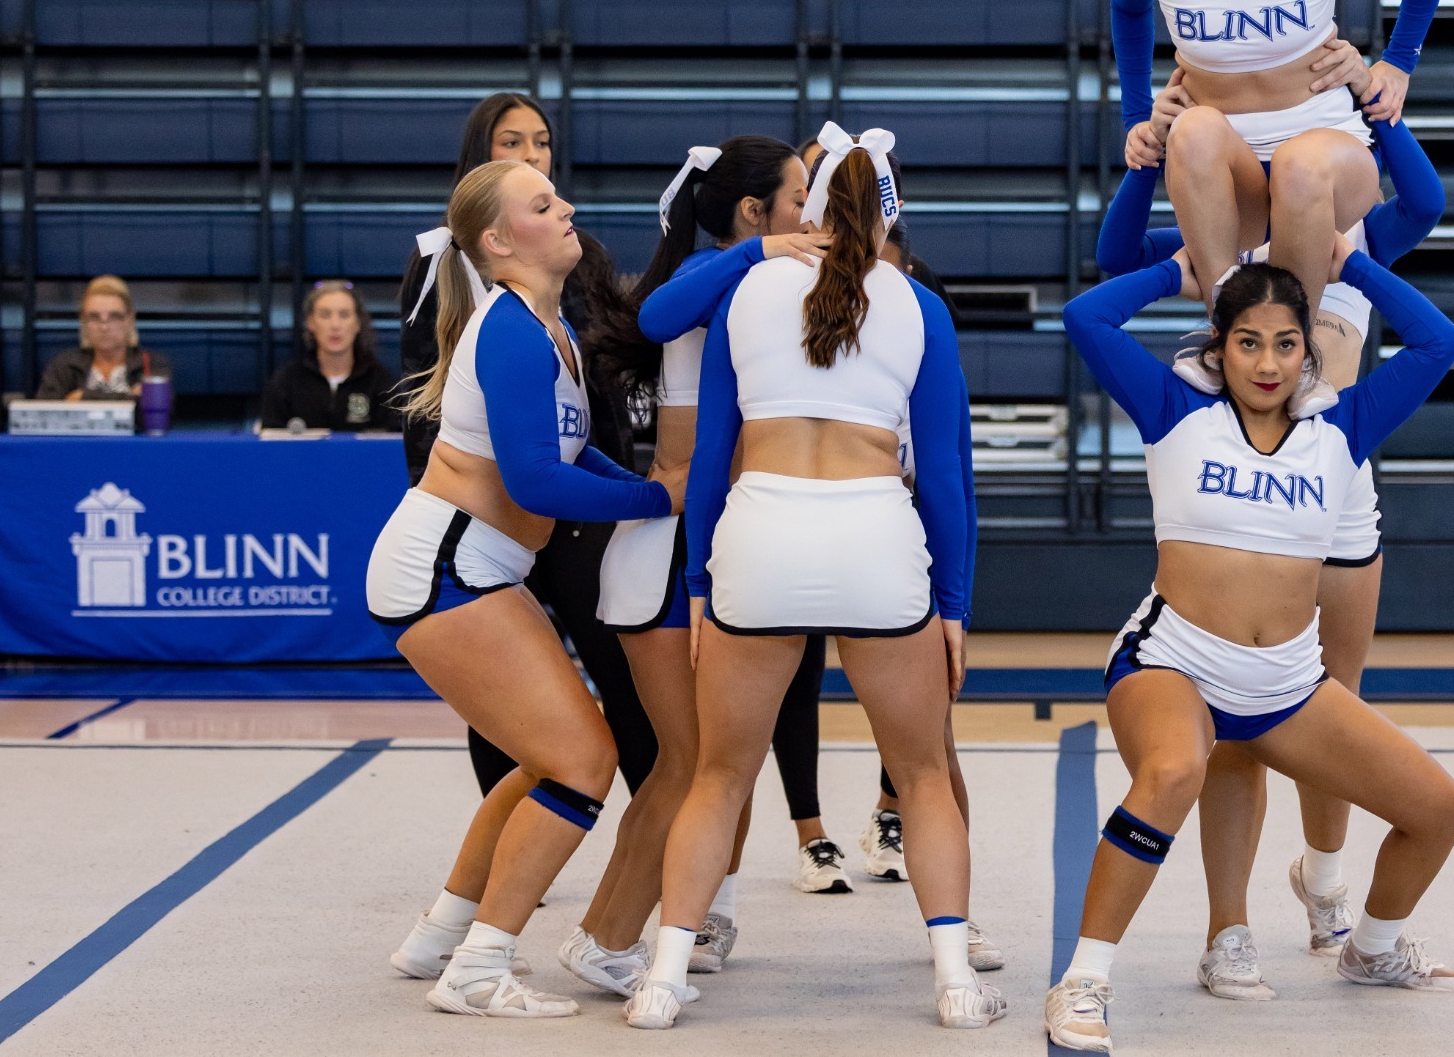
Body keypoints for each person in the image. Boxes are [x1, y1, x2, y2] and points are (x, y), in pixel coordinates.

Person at [1046, 236, 1454, 1052]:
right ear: (1219, 346)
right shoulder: (1175, 409)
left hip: (1286, 684)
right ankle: (1084, 980)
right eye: (1247, 341)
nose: (1267, 362)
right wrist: (1177, 272)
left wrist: (1351, 265)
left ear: (1309, 350)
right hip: (1175, 662)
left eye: (1285, 343)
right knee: (1173, 770)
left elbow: (1438, 341)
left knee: (1440, 809)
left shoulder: (1342, 429)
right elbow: (1084, 315)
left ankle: (1372, 950)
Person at [626, 129, 1002, 1031]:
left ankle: (663, 977)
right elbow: (947, 480)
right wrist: (953, 605)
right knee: (920, 775)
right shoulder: (918, 305)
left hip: (761, 534)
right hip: (875, 533)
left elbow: (711, 456)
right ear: (888, 215)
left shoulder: (750, 286)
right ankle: (954, 977)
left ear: (814, 208)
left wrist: (700, 589)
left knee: (718, 777)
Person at [1097, 114, 1449, 994]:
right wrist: (1142, 164)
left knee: (1331, 696)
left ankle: (1330, 891)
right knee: (1232, 727)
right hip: (1229, 471)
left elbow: (1428, 205)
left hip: (1334, 473)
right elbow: (1112, 266)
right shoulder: (1212, 234)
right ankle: (1230, 928)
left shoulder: (1348, 228)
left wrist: (1381, 108)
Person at [367, 159, 684, 1019]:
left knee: (549, 757)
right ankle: (479, 965)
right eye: (543, 204)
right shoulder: (507, 328)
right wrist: (656, 497)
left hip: (474, 567)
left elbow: (578, 457)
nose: (568, 205)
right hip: (444, 566)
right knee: (585, 761)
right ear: (500, 243)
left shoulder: (553, 331)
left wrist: (651, 487)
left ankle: (441, 931)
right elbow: (539, 482)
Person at [557, 135, 835, 1001]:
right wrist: (760, 249)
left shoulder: (767, 281)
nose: (808, 214)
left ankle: (668, 919)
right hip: (679, 550)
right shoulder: (735, 276)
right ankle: (607, 936)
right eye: (795, 196)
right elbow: (653, 314)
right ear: (752, 214)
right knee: (689, 767)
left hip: (717, 545)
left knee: (715, 760)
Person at [396, 92, 659, 808]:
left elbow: (602, 380)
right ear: (479, 156)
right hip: (488, 513)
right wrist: (447, 491)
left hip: (574, 503)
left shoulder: (580, 249)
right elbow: (427, 395)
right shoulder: (438, 259)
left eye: (541, 142)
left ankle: (653, 838)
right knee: (505, 695)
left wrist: (627, 484)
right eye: (512, 141)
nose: (531, 154)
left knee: (622, 670)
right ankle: (516, 849)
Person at [1110, 0, 1451, 318]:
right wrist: (1137, 114)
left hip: (1329, 165)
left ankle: (1299, 351)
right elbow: (1127, 10)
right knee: (1193, 128)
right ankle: (1227, 332)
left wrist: (1399, 61)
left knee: (1300, 161)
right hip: (1231, 176)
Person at [258, 280, 400, 431]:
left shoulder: (381, 384)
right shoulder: (285, 383)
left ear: (358, 323)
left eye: (344, 315)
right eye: (325, 315)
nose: (335, 325)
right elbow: (270, 443)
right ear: (311, 322)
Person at [36, 275, 172, 405]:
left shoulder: (150, 364)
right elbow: (42, 414)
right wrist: (129, 398)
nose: (104, 327)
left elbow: (157, 415)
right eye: (94, 317)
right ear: (83, 321)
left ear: (130, 320)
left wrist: (82, 397)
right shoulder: (64, 366)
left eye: (114, 316)